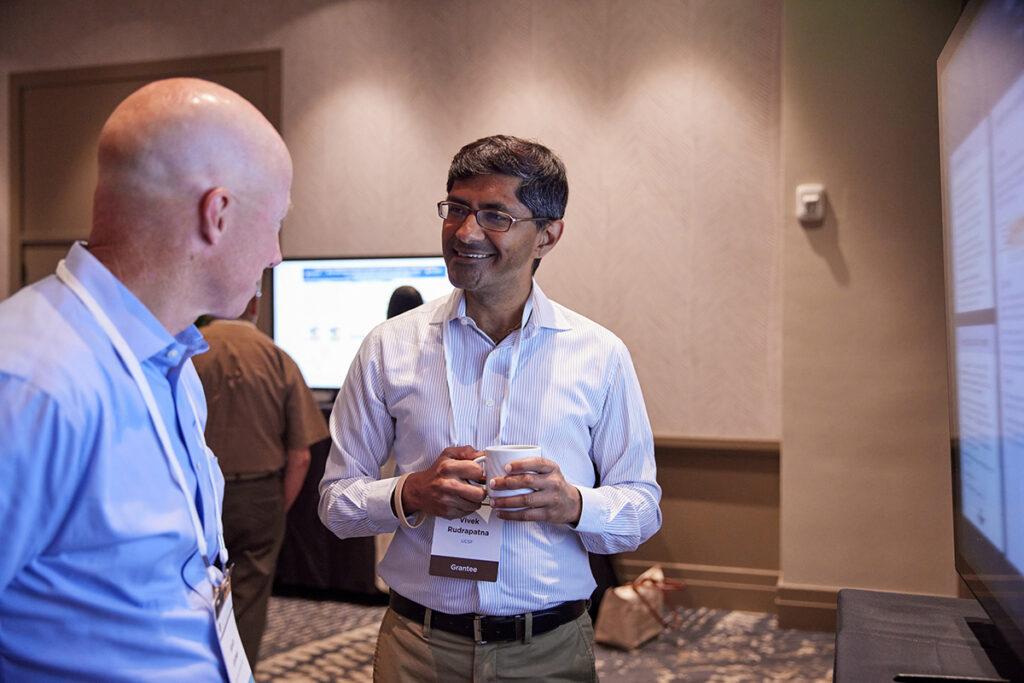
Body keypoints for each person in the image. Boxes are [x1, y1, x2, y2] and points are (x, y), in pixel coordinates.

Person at [319, 134, 661, 681]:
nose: (465, 232)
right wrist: (411, 492)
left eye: (495, 216)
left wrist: (573, 504)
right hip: (418, 649)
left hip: (548, 651)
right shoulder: (389, 346)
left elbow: (641, 507)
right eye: (456, 209)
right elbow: (336, 503)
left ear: (547, 235)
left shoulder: (600, 354)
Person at [0, 77, 292, 681]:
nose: (276, 254)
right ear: (218, 213)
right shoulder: (30, 382)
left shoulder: (173, 364)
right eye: (276, 222)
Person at [192, 294, 329, 669]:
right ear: (255, 306)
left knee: (189, 592)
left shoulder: (188, 352)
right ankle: (237, 671)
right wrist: (276, 507)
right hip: (260, 495)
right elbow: (301, 456)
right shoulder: (278, 357)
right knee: (248, 598)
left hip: (196, 495)